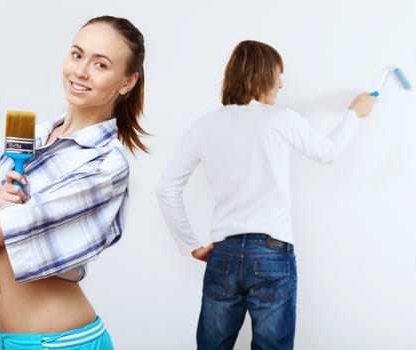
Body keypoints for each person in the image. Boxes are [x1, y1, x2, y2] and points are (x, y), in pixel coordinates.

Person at [156, 40, 376, 350]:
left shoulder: (204, 126)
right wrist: (354, 114)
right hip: (273, 252)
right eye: (278, 74)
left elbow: (166, 189)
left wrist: (190, 245)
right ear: (261, 75)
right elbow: (329, 153)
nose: (282, 84)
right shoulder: (282, 119)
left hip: (224, 254)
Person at [0, 15, 147, 349]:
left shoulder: (105, 165)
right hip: (4, 339)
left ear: (126, 82)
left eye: (101, 64)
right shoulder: (33, 137)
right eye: (77, 55)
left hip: (61, 342)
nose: (81, 71)